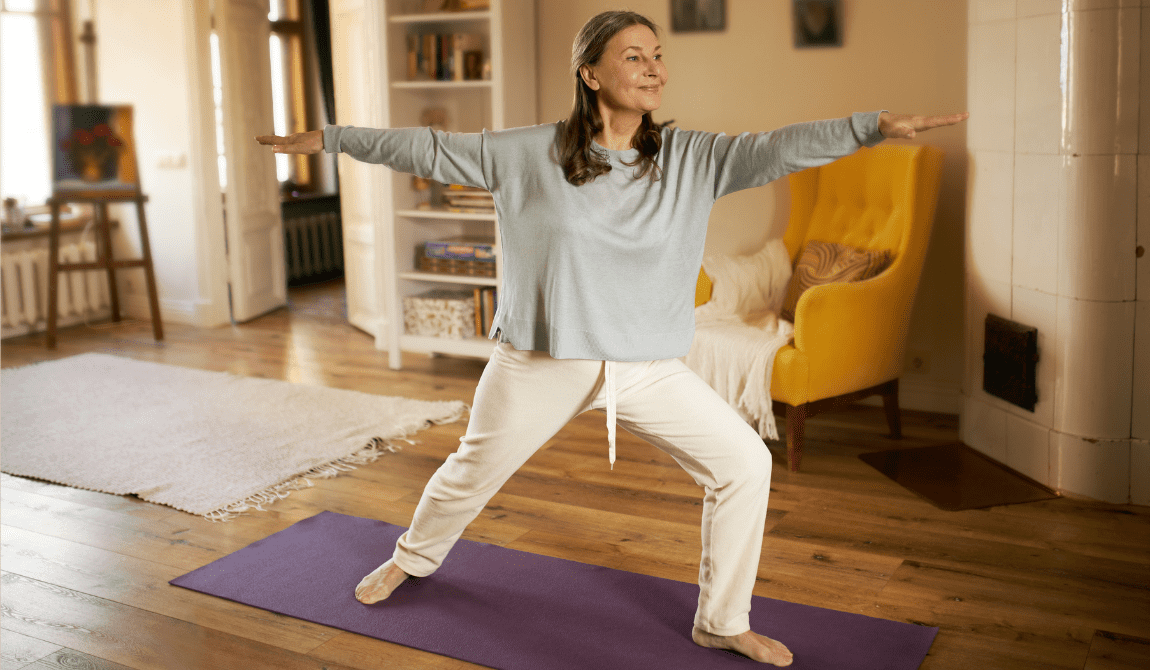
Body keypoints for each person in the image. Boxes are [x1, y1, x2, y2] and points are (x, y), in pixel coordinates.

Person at [257, 10, 966, 666]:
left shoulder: (693, 158)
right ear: (591, 73)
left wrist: (869, 126)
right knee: (471, 471)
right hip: (541, 360)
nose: (655, 68)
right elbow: (432, 148)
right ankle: (410, 558)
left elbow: (778, 148)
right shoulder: (528, 154)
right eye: (635, 56)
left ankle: (721, 619)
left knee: (746, 464)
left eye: (659, 55)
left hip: (646, 366)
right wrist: (332, 139)